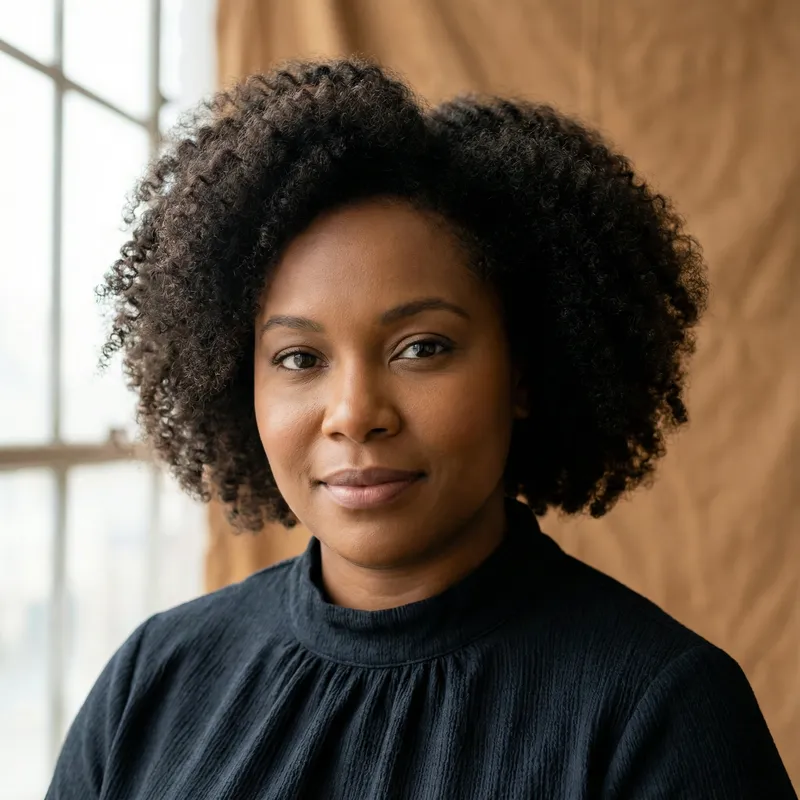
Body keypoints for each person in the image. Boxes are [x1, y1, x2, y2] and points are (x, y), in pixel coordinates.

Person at [47, 58, 796, 799]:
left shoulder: (661, 712)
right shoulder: (152, 681)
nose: (354, 414)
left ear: (525, 372)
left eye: (422, 348)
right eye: (300, 357)